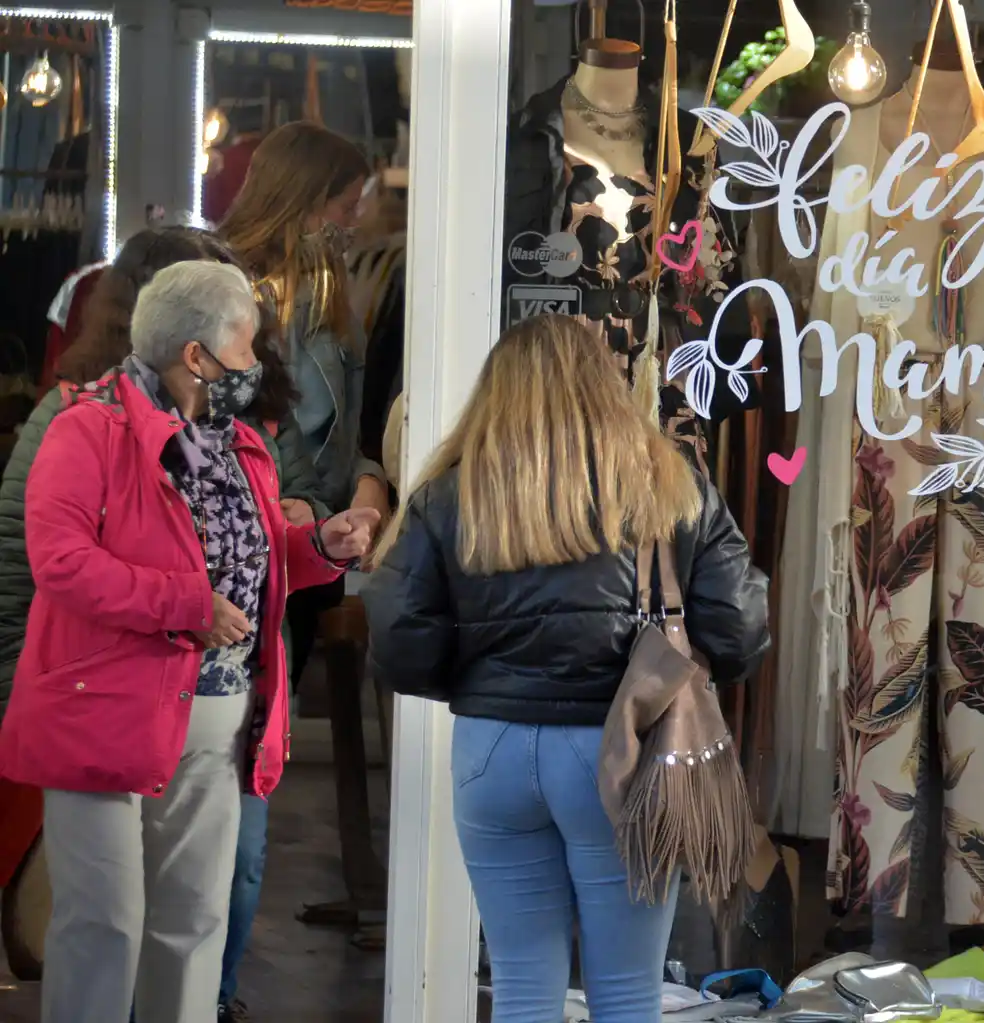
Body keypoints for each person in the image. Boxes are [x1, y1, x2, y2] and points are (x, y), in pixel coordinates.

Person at [361, 315, 770, 1023]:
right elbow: (738, 630)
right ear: (606, 388)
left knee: (522, 982)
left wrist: (477, 678)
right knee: (626, 991)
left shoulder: (449, 494)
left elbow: (399, 636)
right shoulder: (669, 487)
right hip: (621, 747)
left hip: (490, 752)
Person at [0, 261, 377, 1023]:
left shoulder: (242, 442)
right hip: (102, 719)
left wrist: (322, 549)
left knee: (194, 922)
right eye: (245, 346)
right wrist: (185, 605)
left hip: (220, 719)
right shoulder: (86, 429)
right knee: (102, 925)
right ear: (197, 357)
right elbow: (63, 564)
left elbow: (261, 561)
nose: (257, 364)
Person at [218, 121, 389, 687]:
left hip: (315, 532)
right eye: (346, 204)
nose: (356, 219)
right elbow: (241, 426)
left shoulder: (323, 291)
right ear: (307, 202)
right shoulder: (235, 297)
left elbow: (339, 426)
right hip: (261, 534)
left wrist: (367, 479)